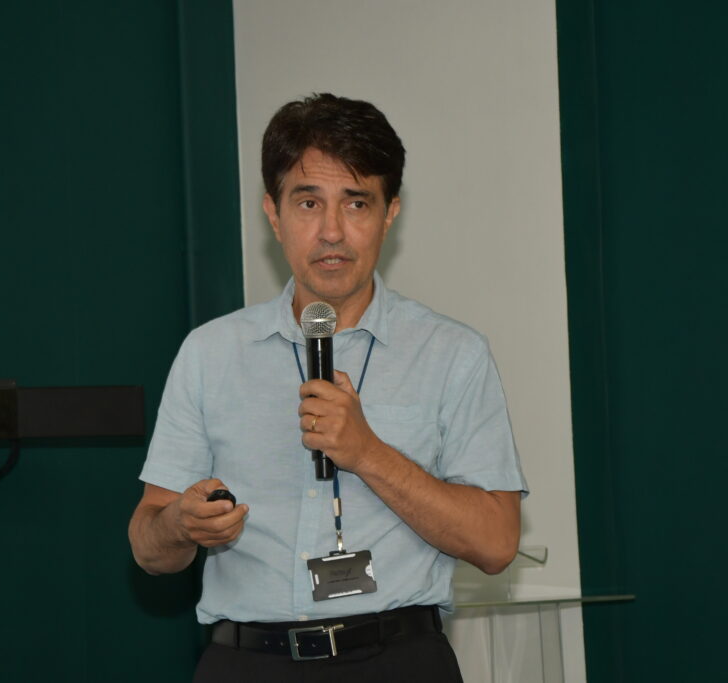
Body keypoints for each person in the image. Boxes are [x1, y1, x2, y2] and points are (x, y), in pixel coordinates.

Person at [128, 93, 527, 682]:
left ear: (390, 213)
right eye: (308, 202)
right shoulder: (210, 354)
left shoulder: (452, 354)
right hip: (247, 662)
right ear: (273, 212)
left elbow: (496, 543)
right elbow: (147, 544)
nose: (332, 231)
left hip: (398, 659)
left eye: (357, 203)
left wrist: (367, 453)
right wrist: (181, 525)